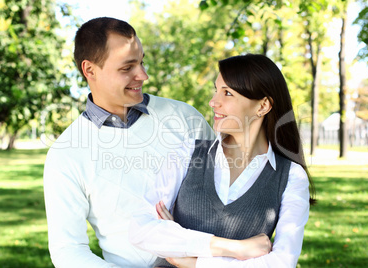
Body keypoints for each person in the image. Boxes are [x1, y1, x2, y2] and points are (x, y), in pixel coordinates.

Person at [43, 18, 270, 268]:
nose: (143, 75)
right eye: (127, 67)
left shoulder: (184, 117)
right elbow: (68, 251)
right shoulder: (66, 155)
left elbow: (233, 188)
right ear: (90, 70)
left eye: (141, 62)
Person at [129, 54, 316, 268]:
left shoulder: (291, 176)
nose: (213, 102)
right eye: (216, 90)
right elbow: (141, 228)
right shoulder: (187, 152)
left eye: (227, 93)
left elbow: (281, 262)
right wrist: (233, 249)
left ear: (263, 106)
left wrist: (191, 260)